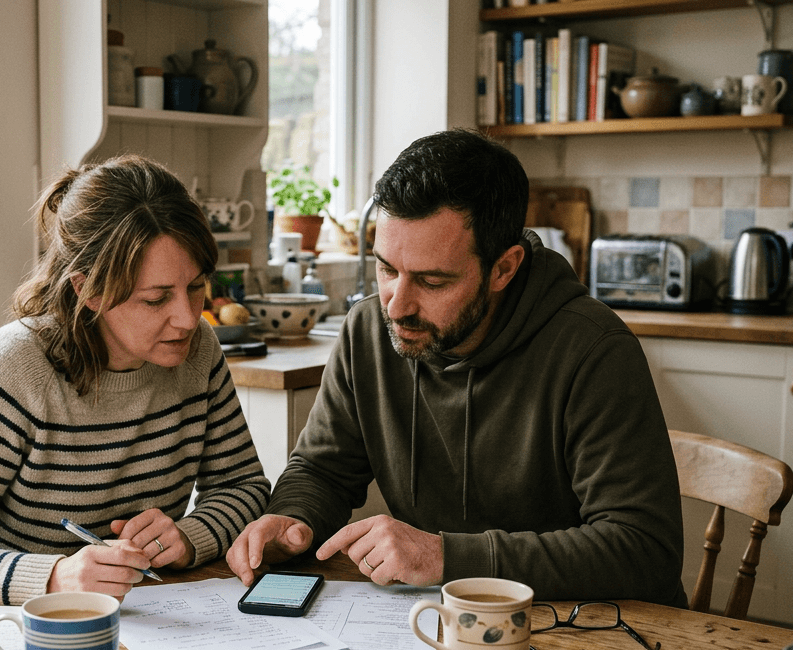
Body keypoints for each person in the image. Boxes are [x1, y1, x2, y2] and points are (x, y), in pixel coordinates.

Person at [226, 129, 686, 605]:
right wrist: (293, 518)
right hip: (438, 626)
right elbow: (321, 471)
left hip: (593, 631)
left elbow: (645, 550)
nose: (397, 306)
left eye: (432, 281)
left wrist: (446, 557)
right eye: (387, 269)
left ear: (503, 269)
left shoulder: (595, 350)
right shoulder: (369, 329)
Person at [0, 155, 270, 610]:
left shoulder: (198, 352)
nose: (188, 318)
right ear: (88, 290)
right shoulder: (14, 368)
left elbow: (244, 487)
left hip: (115, 623)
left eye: (196, 286)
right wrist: (56, 575)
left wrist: (189, 537)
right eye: (156, 299)